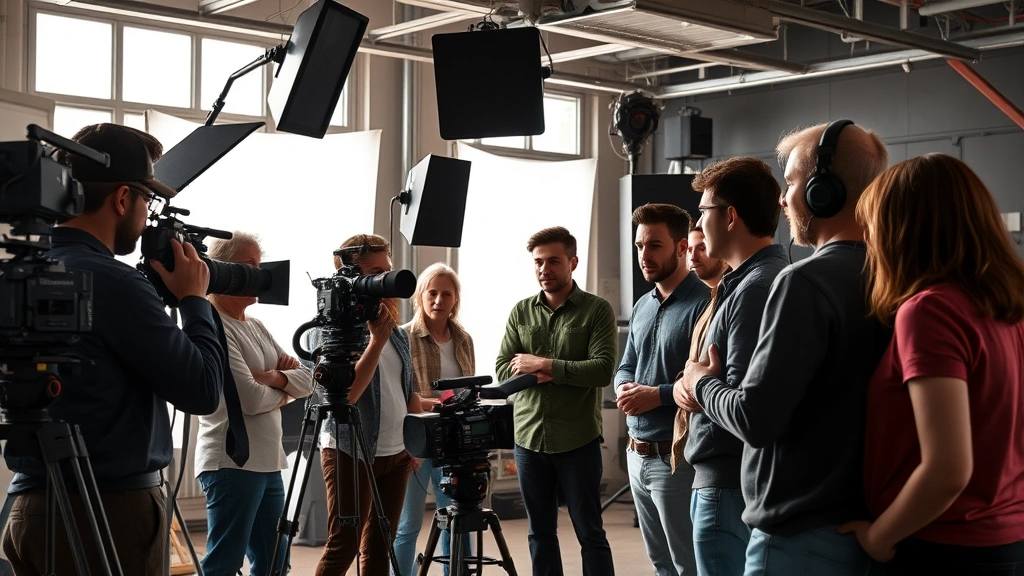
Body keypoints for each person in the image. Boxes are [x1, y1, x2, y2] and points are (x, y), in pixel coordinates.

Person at [1, 123, 225, 575]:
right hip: (108, 512)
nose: (146, 216)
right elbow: (202, 389)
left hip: (28, 507)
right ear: (123, 198)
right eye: (146, 201)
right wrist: (195, 301)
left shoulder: (22, 272)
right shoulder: (114, 282)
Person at [679, 120, 890, 575]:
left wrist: (702, 383)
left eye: (791, 182)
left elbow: (757, 418)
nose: (782, 198)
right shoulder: (894, 277)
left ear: (823, 191)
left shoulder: (804, 282)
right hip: (863, 523)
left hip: (798, 535)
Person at [842, 154, 1024, 573]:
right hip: (1001, 540)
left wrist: (878, 537)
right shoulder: (1003, 309)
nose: (868, 240)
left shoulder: (929, 310)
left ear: (903, 231)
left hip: (944, 546)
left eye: (874, 226)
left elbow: (947, 469)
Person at [675, 156, 788, 576]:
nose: (699, 226)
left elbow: (744, 405)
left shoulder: (756, 289)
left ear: (730, 217)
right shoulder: (743, 283)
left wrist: (700, 383)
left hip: (729, 483)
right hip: (722, 479)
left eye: (704, 212)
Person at [495, 226, 617, 576]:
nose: (544, 269)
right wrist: (546, 372)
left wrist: (545, 365)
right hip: (529, 440)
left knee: (590, 532)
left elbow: (601, 370)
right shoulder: (521, 312)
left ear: (573, 262)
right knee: (540, 533)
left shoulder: (596, 311)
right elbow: (504, 369)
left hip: (578, 440)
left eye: (553, 261)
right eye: (538, 262)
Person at [195, 232, 314, 576]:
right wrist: (284, 387)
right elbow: (247, 398)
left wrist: (274, 378)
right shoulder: (214, 323)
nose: (260, 275)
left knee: (275, 560)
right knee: (224, 563)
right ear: (224, 270)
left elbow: (307, 379)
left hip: (267, 461)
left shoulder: (256, 326)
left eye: (260, 266)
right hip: (232, 461)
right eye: (250, 266)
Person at [314, 233, 421, 576]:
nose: (385, 282)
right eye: (375, 273)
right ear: (349, 276)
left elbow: (409, 393)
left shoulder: (398, 332)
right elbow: (347, 397)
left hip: (396, 453)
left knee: (379, 549)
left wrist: (416, 443)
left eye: (387, 271)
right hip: (350, 451)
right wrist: (375, 341)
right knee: (343, 546)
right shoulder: (332, 329)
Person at [614, 204, 709, 576]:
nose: (644, 256)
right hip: (635, 456)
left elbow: (705, 382)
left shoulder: (704, 303)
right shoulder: (642, 305)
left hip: (675, 459)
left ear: (682, 247)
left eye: (655, 245)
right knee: (660, 564)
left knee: (687, 565)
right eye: (639, 246)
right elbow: (625, 365)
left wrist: (656, 394)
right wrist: (624, 387)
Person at [393, 262, 476, 576]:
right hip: (415, 441)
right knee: (407, 525)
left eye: (446, 294)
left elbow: (469, 392)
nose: (439, 300)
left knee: (456, 521)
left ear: (455, 299)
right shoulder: (402, 338)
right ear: (420, 297)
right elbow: (397, 395)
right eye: (432, 292)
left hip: (454, 445)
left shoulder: (464, 339)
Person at [670, 225, 729, 472]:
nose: (692, 257)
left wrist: (697, 386)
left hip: (718, 449)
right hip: (694, 440)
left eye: (702, 248)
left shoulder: (732, 298)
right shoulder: (710, 301)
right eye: (690, 250)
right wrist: (677, 388)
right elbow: (692, 367)